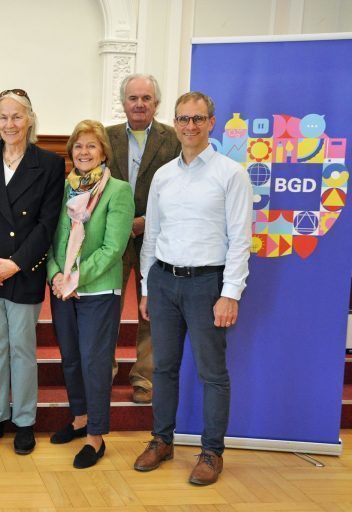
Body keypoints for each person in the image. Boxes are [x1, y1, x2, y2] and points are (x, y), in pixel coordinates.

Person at [133, 92, 252, 485]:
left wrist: (230, 293)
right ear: (175, 123)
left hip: (207, 285)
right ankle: (161, 441)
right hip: (164, 282)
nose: (190, 126)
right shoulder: (164, 175)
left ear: (211, 123)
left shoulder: (231, 174)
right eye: (183, 119)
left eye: (198, 119)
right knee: (163, 368)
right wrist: (147, 287)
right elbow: (152, 235)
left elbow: (240, 239)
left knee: (211, 372)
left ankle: (212, 452)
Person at [0, 89, 64, 455]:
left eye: (17, 117)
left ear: (30, 120)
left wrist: (15, 264)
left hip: (23, 269)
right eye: (3, 117)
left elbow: (47, 223)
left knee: (21, 347)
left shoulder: (49, 163)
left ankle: (24, 421)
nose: (9, 124)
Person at [47, 120, 134, 468]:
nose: (84, 152)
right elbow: (52, 238)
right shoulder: (63, 189)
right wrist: (56, 274)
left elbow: (113, 248)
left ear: (103, 152)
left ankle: (95, 436)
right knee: (70, 358)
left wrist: (75, 279)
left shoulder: (118, 191)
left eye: (91, 146)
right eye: (78, 146)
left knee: (94, 363)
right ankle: (80, 418)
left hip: (97, 290)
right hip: (62, 289)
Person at [106, 74, 181, 404]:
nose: (139, 104)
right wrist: (121, 224)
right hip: (113, 238)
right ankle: (103, 372)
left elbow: (181, 190)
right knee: (107, 306)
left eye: (146, 98)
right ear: (123, 102)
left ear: (157, 103)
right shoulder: (105, 137)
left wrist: (145, 222)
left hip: (158, 237)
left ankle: (145, 378)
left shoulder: (174, 139)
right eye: (133, 98)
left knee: (152, 309)